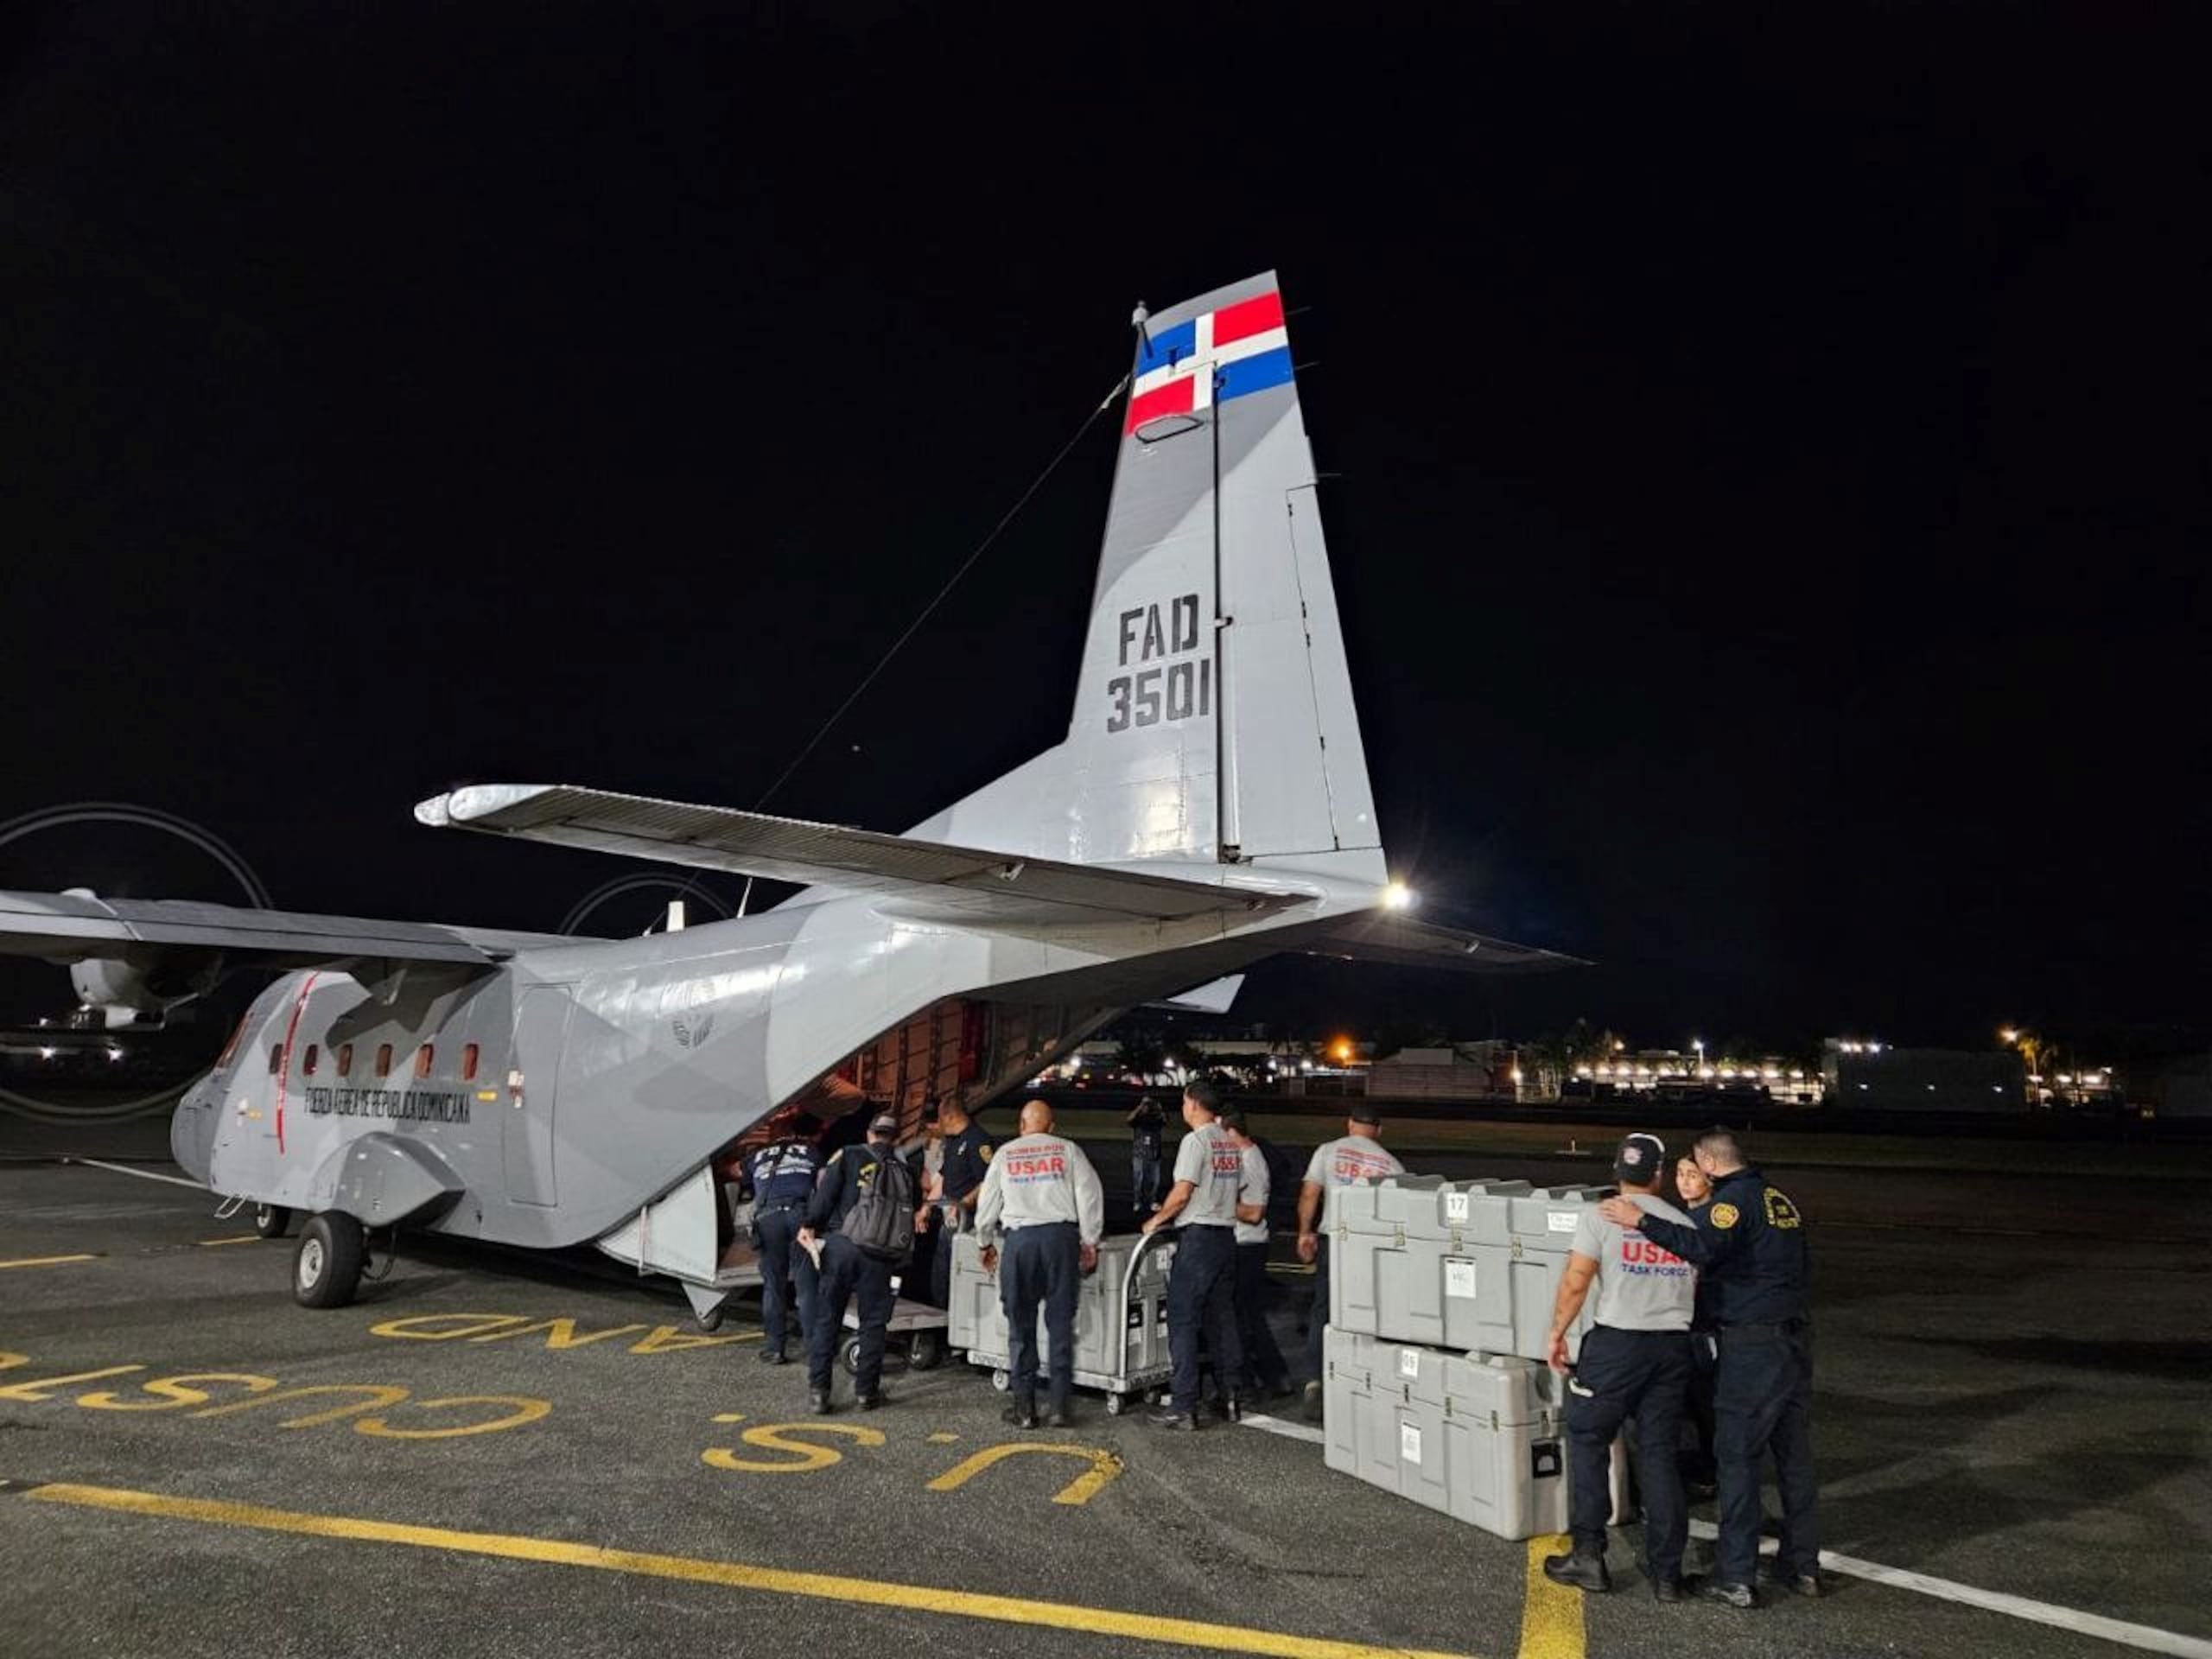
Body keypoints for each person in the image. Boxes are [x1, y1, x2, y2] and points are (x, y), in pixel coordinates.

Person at [1601, 1127, 1819, 1608]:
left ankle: (1736, 1575)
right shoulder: (1780, 1200)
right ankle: (1803, 1567)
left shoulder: (1732, 1203)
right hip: (1795, 1339)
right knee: (1794, 1459)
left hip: (1752, 1342)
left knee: (1736, 1457)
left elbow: (1702, 1248)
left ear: (1710, 1163)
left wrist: (1641, 1221)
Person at [1540, 1133, 1698, 1601]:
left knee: (1588, 1439)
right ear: (1659, 1174)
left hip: (1618, 1344)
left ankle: (1589, 1555)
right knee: (1659, 1453)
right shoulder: (1683, 1222)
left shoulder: (1600, 1215)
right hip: (1672, 1347)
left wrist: (1557, 1332)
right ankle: (1667, 1573)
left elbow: (1576, 1280)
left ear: (1617, 1173)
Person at [975, 1099, 1104, 1428]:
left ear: (1021, 1125)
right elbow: (1089, 1195)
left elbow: (988, 1201)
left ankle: (1024, 1409)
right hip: (1060, 1240)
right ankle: (1060, 1408)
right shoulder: (1069, 1150)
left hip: (1020, 1243)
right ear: (1051, 1127)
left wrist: (984, 1241)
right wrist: (1090, 1241)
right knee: (1060, 1324)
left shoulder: (1006, 1153)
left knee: (1020, 1325)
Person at [1141, 1077, 1245, 1429]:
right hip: (1226, 1238)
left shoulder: (1196, 1141)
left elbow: (1183, 1192)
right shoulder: (1229, 1144)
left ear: (1195, 1105)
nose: (1183, 1108)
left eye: (1185, 1102)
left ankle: (1184, 1404)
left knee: (1183, 1318)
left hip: (1199, 1237)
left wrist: (1156, 1219)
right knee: (1222, 1319)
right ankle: (1230, 1396)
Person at [1295, 1104, 1405, 1422]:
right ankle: (1363, 1381)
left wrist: (1305, 1233)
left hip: (1335, 1238)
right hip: (1370, 1246)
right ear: (1379, 1131)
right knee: (1369, 1314)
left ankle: (1316, 1381)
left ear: (1349, 1124)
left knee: (1323, 1310)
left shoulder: (1328, 1151)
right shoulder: (1392, 1165)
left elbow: (1310, 1193)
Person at [800, 1112, 912, 1414]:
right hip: (880, 1256)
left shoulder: (849, 1155)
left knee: (828, 1319)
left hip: (842, 1247)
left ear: (869, 1133)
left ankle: (820, 1393)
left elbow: (825, 1196)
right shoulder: (903, 1167)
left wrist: (810, 1223)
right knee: (873, 1324)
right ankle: (866, 1393)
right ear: (896, 1138)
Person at [1219, 1104, 1291, 1403]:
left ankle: (1259, 1378)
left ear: (1231, 1131)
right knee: (1246, 1314)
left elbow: (1254, 1213)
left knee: (1243, 1316)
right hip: (1245, 1245)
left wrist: (1219, 1202)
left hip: (1248, 1245)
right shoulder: (1244, 1158)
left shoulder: (1251, 1161)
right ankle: (1273, 1376)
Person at [743, 1114, 822, 1364]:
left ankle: (776, 1348)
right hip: (800, 1216)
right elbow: (823, 1182)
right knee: (806, 1285)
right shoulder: (812, 1151)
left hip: (768, 1218)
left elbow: (732, 1171)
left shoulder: (758, 1154)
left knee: (773, 1286)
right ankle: (814, 1349)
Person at [1674, 1154, 1719, 1497]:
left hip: (1704, 1327)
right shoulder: (1683, 1219)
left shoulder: (1710, 1223)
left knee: (1705, 1404)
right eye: (1680, 1174)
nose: (1685, 1181)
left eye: (1693, 1175)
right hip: (1684, 1326)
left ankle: (1710, 1471)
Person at [925, 1098, 994, 1312]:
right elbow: (944, 1177)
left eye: (939, 1119)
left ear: (949, 1116)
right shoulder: (953, 1141)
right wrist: (926, 1207)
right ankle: (942, 1325)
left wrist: (963, 1204)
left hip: (968, 1222)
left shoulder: (978, 1140)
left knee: (960, 1274)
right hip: (949, 1220)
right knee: (941, 1275)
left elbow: (988, 1181)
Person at [903, 1103, 947, 1306]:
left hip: (934, 1209)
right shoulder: (932, 1143)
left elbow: (934, 1180)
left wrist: (924, 1207)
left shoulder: (939, 1144)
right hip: (927, 1208)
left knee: (926, 1260)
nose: (930, 1127)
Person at [1127, 1095, 1167, 1217]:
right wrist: (1140, 1107)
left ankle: (1153, 1201)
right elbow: (1129, 1119)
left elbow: (1165, 1120)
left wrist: (1159, 1108)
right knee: (1138, 1179)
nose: (1147, 1109)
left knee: (1155, 1180)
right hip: (1140, 1153)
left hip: (1154, 1153)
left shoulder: (1156, 1120)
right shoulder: (1138, 1120)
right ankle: (1137, 1201)